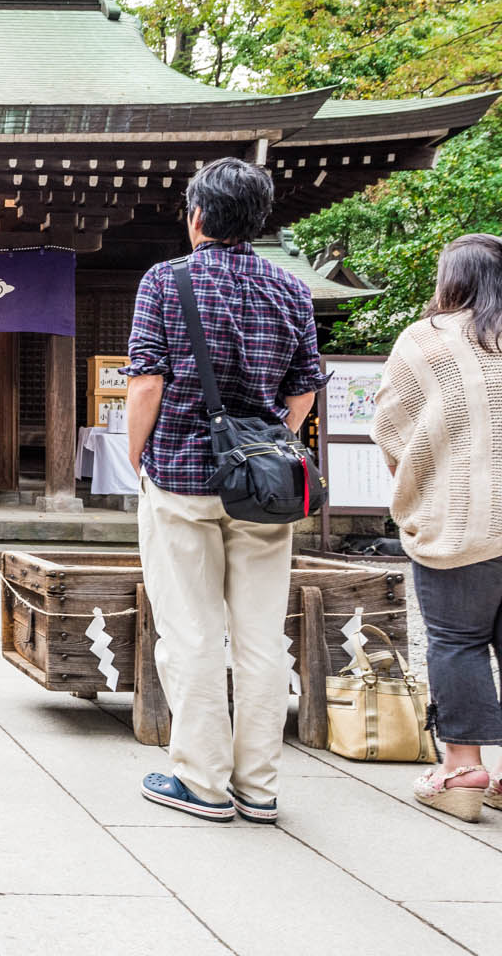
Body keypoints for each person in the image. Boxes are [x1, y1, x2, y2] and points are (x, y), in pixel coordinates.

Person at [123, 157, 326, 824]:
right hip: (264, 488)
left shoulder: (165, 281)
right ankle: (258, 786)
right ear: (259, 219)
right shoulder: (290, 290)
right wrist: (268, 444)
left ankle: (202, 780)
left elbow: (146, 381)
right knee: (263, 634)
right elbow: (303, 384)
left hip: (182, 475)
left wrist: (137, 457)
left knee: (192, 630)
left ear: (197, 216)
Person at [373, 234, 502, 824]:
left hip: (468, 511)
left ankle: (462, 769)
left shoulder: (428, 339)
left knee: (457, 639)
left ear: (452, 278)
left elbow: (391, 427)